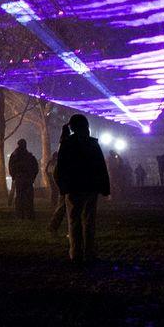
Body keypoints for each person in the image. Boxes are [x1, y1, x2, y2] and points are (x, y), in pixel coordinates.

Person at [55, 113, 111, 265]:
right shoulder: (92, 144)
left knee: (74, 222)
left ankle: (76, 254)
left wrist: (62, 187)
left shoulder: (67, 144)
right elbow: (101, 167)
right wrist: (105, 188)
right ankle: (90, 253)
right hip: (90, 187)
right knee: (89, 221)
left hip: (73, 188)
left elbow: (60, 167)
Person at [8, 138, 40, 220]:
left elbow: (11, 167)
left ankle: (20, 214)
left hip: (19, 178)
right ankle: (29, 214)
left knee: (19, 197)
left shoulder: (15, 155)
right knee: (29, 197)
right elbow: (35, 167)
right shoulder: (29, 156)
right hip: (27, 178)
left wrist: (14, 176)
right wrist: (32, 177)